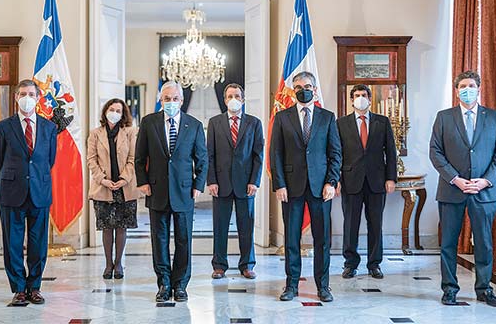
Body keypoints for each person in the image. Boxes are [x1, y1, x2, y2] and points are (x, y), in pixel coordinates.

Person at [429, 70, 496, 307]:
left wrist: (486, 180)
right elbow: (436, 152)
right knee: (449, 243)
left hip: (484, 191)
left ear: (479, 88)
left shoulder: (494, 117)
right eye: (463, 85)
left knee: (484, 242)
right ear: (456, 91)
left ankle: (484, 289)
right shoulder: (444, 117)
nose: (467, 89)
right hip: (452, 190)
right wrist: (455, 178)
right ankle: (450, 289)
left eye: (471, 85)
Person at [270, 71, 342, 302]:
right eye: (299, 87)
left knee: (322, 239)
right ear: (293, 90)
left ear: (316, 89)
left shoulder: (327, 117)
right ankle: (291, 285)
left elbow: (335, 153)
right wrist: (279, 184)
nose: (304, 90)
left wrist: (332, 182)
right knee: (292, 239)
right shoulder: (282, 117)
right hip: (290, 188)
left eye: (308, 86)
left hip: (321, 188)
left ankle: (323, 286)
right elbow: (276, 154)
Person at [134, 81, 208, 302]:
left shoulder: (194, 125)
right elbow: (139, 158)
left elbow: (202, 159)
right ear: (161, 100)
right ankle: (164, 283)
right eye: (167, 99)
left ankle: (181, 284)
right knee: (160, 240)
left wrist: (198, 185)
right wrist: (143, 182)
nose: (171, 103)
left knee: (184, 240)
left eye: (175, 99)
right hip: (156, 190)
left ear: (182, 101)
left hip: (184, 192)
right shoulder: (149, 123)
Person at [0, 79, 57, 306]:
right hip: (11, 192)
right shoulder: (4, 127)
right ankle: (19, 289)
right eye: (23, 94)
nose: (27, 98)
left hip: (39, 192)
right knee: (13, 243)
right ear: (16, 98)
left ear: (38, 98)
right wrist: (14, 177)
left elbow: (50, 160)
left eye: (31, 94)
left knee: (38, 244)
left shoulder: (49, 127)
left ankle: (34, 287)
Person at [337, 84, 397, 279]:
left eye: (364, 95)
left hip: (377, 181)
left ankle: (374, 264)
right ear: (351, 100)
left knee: (375, 223)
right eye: (356, 95)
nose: (360, 98)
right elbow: (336, 154)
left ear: (370, 99)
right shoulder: (341, 123)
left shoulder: (382, 122)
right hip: (350, 180)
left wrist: (391, 178)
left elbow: (390, 152)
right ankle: (350, 263)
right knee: (350, 224)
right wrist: (336, 180)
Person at [207, 83, 264, 280]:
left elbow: (258, 155)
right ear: (224, 100)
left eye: (237, 96)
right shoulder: (215, 123)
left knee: (246, 226)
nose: (234, 99)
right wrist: (211, 180)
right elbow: (210, 155)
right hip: (220, 183)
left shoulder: (254, 123)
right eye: (230, 96)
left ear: (243, 99)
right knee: (220, 226)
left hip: (246, 183)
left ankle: (247, 265)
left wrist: (254, 181)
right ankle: (219, 265)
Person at [87, 98, 139, 280]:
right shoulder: (95, 134)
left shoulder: (131, 132)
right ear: (105, 111)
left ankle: (119, 264)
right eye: (112, 109)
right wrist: (103, 180)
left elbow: (133, 158)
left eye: (118, 110)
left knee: (122, 227)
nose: (115, 113)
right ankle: (108, 264)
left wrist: (125, 178)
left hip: (125, 187)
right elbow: (91, 160)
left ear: (123, 114)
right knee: (107, 228)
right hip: (104, 187)